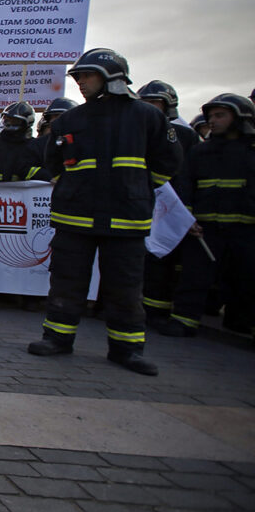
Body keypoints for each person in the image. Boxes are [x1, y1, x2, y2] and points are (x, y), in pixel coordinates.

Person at [26, 48, 181, 376]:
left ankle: (127, 350)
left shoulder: (147, 117)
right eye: (78, 77)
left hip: (126, 219)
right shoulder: (71, 119)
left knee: (124, 286)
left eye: (87, 75)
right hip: (74, 217)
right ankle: (57, 338)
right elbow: (53, 161)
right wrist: (67, 186)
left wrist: (137, 187)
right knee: (67, 282)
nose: (80, 82)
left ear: (111, 76)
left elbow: (168, 160)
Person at [164, 93, 255, 337]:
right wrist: (187, 219)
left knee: (244, 277)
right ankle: (184, 320)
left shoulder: (251, 152)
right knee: (194, 275)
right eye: (211, 116)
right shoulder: (200, 152)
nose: (212, 121)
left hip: (245, 230)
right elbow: (185, 186)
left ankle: (239, 320)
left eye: (220, 115)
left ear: (240, 118)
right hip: (204, 228)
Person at [135, 81, 201, 334]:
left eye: (154, 103)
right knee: (143, 260)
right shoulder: (133, 131)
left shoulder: (184, 135)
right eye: (145, 103)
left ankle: (158, 313)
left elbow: (187, 175)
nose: (149, 108)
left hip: (170, 206)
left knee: (165, 260)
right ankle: (142, 308)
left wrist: (185, 212)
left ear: (168, 106)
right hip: (140, 202)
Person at [0, 101, 46, 182]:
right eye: (7, 119)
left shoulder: (33, 146)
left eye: (14, 121)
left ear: (27, 123)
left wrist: (48, 177)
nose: (9, 123)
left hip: (19, 193)